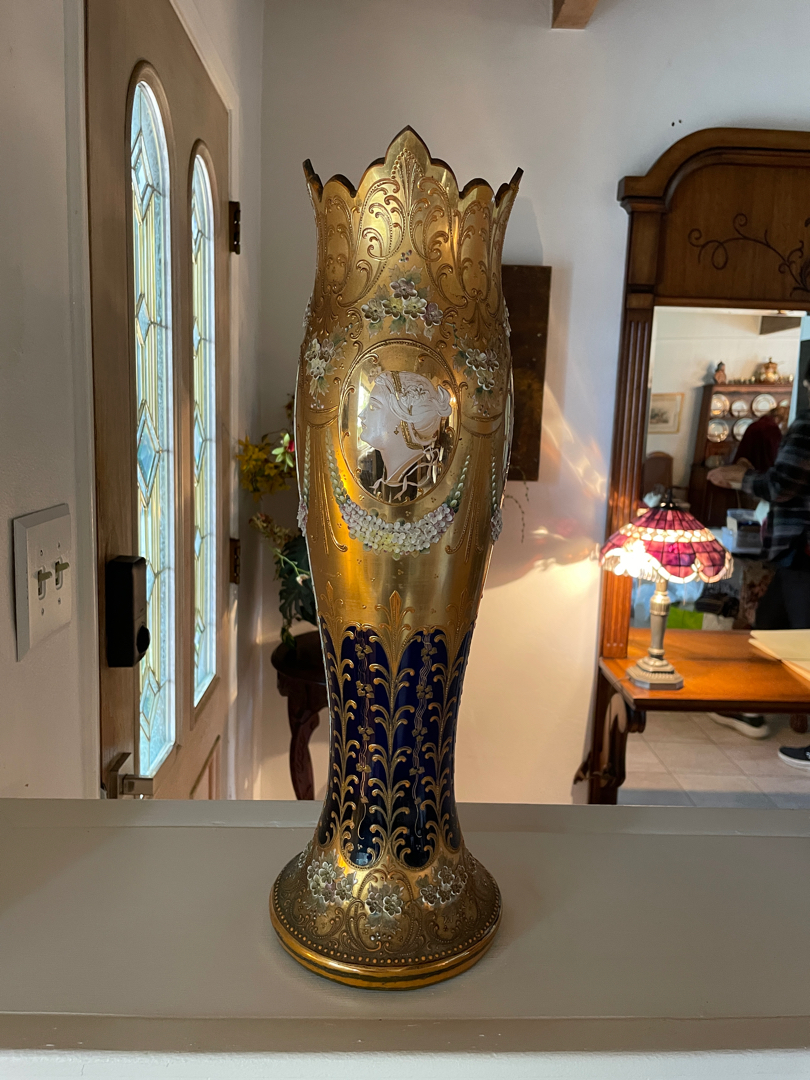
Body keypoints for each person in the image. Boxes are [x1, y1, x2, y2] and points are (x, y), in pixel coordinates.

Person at [707, 392, 810, 768]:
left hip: (802, 550)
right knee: (768, 625)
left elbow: (780, 487)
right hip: (795, 553)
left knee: (802, 639)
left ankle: (755, 709)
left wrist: (740, 477)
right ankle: (752, 709)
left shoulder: (807, 425)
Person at [358, 370, 452, 502]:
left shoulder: (420, 473)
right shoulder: (376, 465)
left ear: (404, 420)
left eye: (373, 406)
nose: (361, 414)